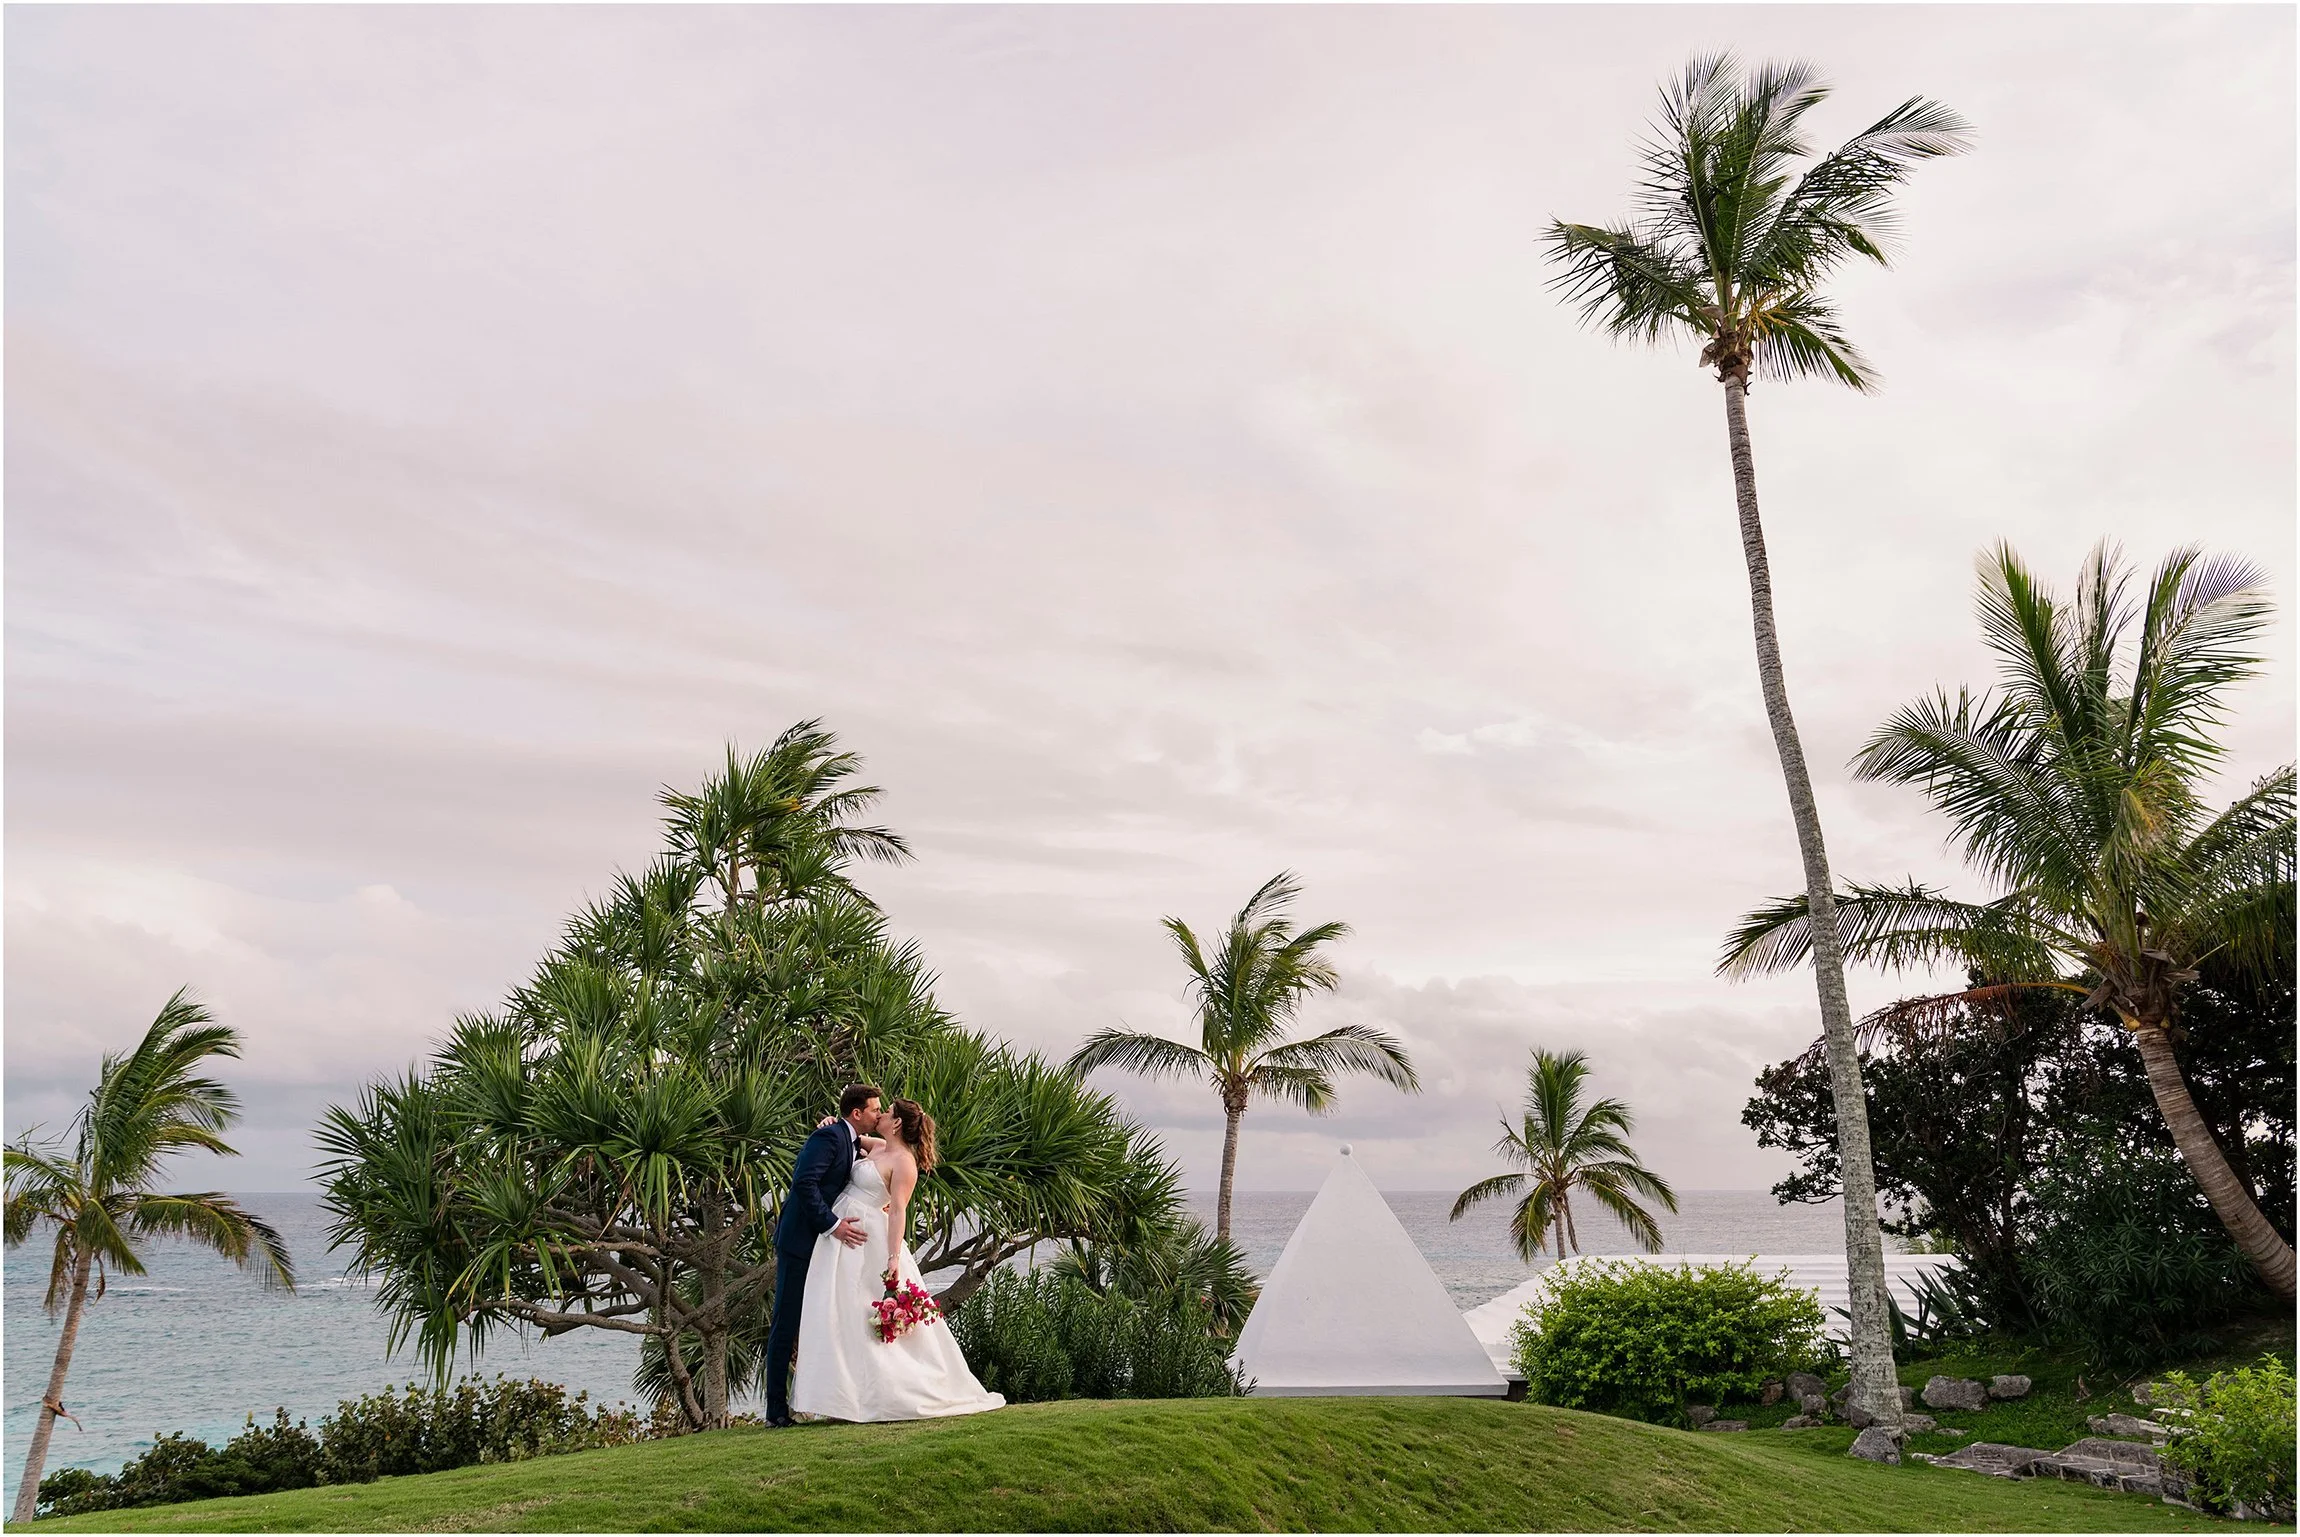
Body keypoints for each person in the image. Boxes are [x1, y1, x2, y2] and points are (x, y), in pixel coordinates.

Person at [790, 1097, 1005, 1422]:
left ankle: (882, 1394)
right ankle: (843, 1398)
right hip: (842, 1229)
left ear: (898, 1123)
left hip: (866, 1239)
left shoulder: (905, 1162)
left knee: (860, 1313)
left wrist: (893, 1259)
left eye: (887, 1112)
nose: (882, 1114)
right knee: (837, 1312)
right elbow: (846, 1135)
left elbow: (899, 1211)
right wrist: (827, 1124)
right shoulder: (877, 1145)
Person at [765, 1082, 878, 1428]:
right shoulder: (828, 1138)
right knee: (786, 1321)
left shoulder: (846, 1136)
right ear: (856, 1113)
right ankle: (776, 1412)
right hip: (801, 1240)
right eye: (874, 1109)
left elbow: (888, 1149)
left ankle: (821, 1397)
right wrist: (834, 1225)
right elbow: (804, 1183)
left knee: (818, 1320)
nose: (878, 1113)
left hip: (821, 1245)